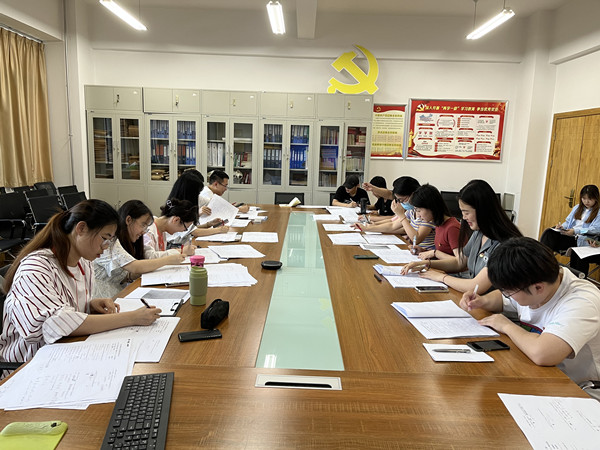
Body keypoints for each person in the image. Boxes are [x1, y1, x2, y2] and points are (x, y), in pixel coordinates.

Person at [0, 200, 160, 370]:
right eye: (104, 238)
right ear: (81, 228)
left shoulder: (84, 263)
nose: (105, 248)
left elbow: (62, 308)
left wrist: (89, 305)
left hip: (66, 352)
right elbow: (54, 324)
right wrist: (132, 318)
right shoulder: (35, 268)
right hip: (29, 365)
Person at [459, 237, 600, 384]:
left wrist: (506, 325)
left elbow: (543, 354)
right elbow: (503, 299)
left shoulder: (583, 301)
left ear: (538, 287)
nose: (507, 295)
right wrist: (482, 301)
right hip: (537, 372)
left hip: (577, 387)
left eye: (509, 292)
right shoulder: (534, 280)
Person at [402, 179, 522, 293]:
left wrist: (441, 277)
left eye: (466, 212)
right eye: (462, 212)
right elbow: (460, 262)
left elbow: (476, 286)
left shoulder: (504, 244)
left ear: (482, 210)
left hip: (484, 300)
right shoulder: (478, 233)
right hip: (469, 294)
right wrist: (427, 264)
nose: (463, 217)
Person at [93, 200, 187, 298]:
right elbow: (135, 266)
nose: (143, 231)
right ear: (128, 220)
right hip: (102, 296)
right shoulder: (111, 240)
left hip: (118, 292)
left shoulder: (130, 241)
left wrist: (133, 275)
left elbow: (127, 272)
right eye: (143, 225)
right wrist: (168, 260)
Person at [360, 176, 435, 250]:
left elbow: (416, 238)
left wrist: (401, 215)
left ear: (413, 194)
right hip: (417, 251)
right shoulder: (411, 211)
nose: (401, 203)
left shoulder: (427, 215)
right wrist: (368, 228)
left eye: (402, 200)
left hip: (425, 253)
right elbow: (393, 225)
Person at [540, 185, 600, 275]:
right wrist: (562, 227)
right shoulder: (577, 208)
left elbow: (595, 229)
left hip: (582, 239)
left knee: (578, 252)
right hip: (570, 236)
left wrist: (576, 231)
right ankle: (542, 261)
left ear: (596, 198)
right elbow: (568, 222)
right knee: (549, 232)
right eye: (584, 198)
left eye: (590, 199)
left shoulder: (598, 212)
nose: (586, 202)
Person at [167, 169, 230, 237]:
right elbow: (193, 232)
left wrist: (209, 224)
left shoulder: (181, 201)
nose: (199, 194)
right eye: (197, 192)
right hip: (177, 242)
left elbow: (190, 228)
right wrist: (219, 230)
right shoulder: (179, 207)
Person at [408, 184, 463, 260]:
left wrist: (435, 253)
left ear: (431, 207)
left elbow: (460, 261)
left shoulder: (452, 228)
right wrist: (424, 251)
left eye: (419, 210)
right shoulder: (438, 224)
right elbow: (442, 254)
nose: (418, 215)